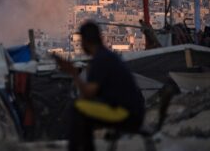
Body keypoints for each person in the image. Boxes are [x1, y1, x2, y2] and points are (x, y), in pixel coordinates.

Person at [54, 21, 145, 151]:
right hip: (131, 112)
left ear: (85, 41)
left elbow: (88, 93)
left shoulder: (101, 60)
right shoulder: (106, 57)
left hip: (125, 114)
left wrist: (73, 73)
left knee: (77, 109)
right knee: (83, 110)